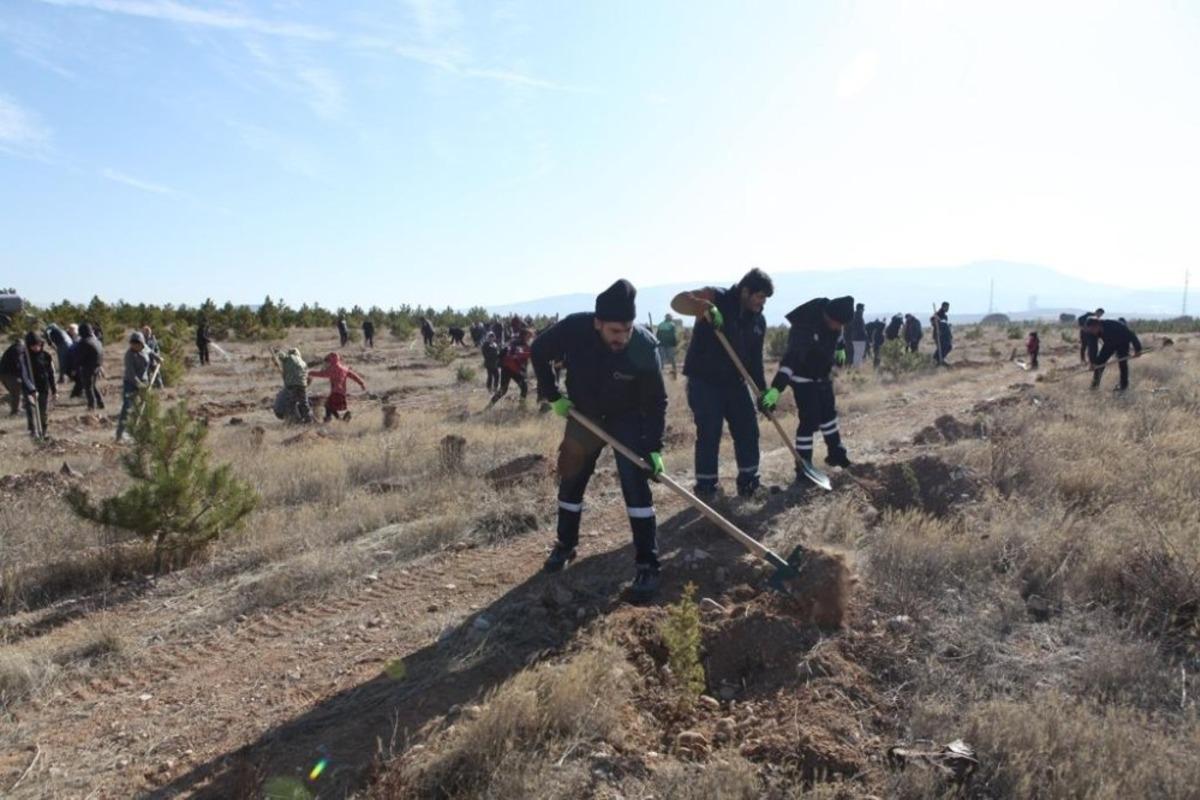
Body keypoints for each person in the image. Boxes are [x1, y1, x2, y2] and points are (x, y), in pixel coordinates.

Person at [531, 279, 668, 599]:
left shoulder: (645, 348)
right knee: (571, 478)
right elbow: (538, 351)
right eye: (614, 332)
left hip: (627, 417)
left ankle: (648, 564)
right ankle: (565, 545)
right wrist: (553, 396)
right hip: (585, 415)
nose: (622, 338)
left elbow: (656, 402)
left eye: (627, 330)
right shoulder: (574, 329)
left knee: (635, 485)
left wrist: (653, 448)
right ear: (598, 323)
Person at [670, 269, 772, 498]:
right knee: (709, 433)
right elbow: (678, 301)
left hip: (735, 383)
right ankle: (706, 488)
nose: (761, 303)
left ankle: (749, 482)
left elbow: (754, 362)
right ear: (745, 291)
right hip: (705, 382)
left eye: (765, 299)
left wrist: (762, 393)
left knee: (748, 429)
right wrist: (705, 307)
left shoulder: (758, 320)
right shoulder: (717, 297)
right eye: (759, 297)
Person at [761, 296, 854, 474]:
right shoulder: (804, 328)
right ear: (829, 318)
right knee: (809, 420)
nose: (839, 328)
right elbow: (790, 361)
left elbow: (838, 334)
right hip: (802, 378)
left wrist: (840, 347)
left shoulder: (834, 322)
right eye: (838, 324)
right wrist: (776, 389)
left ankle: (836, 454)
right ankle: (804, 465)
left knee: (829, 416)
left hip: (822, 375)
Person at [115, 331, 162, 442]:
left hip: (144, 381)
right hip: (130, 384)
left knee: (146, 407)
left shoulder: (144, 348)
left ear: (142, 343)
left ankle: (147, 434)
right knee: (127, 409)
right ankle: (119, 435)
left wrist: (157, 358)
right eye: (133, 344)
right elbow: (131, 374)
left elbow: (151, 352)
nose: (135, 346)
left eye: (138, 344)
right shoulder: (129, 355)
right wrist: (140, 385)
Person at [1086, 317, 1142, 391]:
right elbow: (1092, 347)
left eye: (1093, 329)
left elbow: (1131, 335)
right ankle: (1094, 386)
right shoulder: (1091, 333)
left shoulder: (1113, 325)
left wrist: (1138, 349)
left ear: (1098, 325)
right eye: (1090, 330)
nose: (1092, 332)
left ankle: (1123, 386)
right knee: (1099, 363)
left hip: (1122, 342)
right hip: (1109, 344)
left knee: (1122, 363)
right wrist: (1092, 362)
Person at [18, 332, 56, 439]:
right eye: (33, 345)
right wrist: (32, 389)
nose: (36, 347)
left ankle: (43, 432)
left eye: (38, 345)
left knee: (43, 412)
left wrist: (54, 390)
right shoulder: (24, 358)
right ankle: (33, 432)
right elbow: (24, 375)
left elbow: (51, 374)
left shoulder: (46, 356)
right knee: (31, 409)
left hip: (43, 387)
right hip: (29, 388)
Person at [308, 352, 366, 422]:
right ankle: (335, 419)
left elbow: (321, 374)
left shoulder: (332, 369)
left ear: (331, 360)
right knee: (330, 407)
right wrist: (361, 384)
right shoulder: (344, 369)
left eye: (328, 361)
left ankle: (334, 420)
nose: (327, 363)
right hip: (342, 393)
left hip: (335, 392)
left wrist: (310, 373)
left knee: (329, 406)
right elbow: (354, 376)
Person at [488, 329, 533, 408]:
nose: (530, 338)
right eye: (529, 335)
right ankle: (489, 406)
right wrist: (530, 354)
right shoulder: (519, 344)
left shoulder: (516, 342)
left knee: (521, 388)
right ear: (524, 335)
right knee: (506, 390)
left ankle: (521, 407)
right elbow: (519, 354)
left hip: (511, 369)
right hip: (510, 369)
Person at [274, 348, 314, 423]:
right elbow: (306, 374)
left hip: (292, 385)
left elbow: (282, 355)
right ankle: (309, 419)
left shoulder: (290, 358)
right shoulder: (303, 362)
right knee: (304, 403)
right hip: (302, 384)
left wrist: (277, 351)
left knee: (291, 404)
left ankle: (296, 420)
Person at [76, 323, 105, 410]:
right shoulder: (96, 340)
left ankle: (91, 405)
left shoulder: (84, 342)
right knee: (93, 386)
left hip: (88, 367)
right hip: (97, 366)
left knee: (88, 387)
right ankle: (100, 402)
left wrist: (77, 365)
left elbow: (80, 356)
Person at [0, 336, 28, 416]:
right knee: (17, 392)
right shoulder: (19, 349)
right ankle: (15, 412)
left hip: (3, 375)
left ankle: (18, 409)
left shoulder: (11, 349)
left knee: (16, 392)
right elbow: (19, 364)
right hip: (11, 375)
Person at [655, 313, 679, 379]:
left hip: (661, 343)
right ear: (670, 318)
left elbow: (657, 335)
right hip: (669, 344)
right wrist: (675, 344)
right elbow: (673, 336)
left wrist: (657, 343)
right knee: (671, 358)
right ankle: (674, 370)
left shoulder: (660, 325)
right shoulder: (672, 325)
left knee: (661, 358)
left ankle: (660, 373)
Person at [848, 303, 868, 368]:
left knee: (856, 353)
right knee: (859, 353)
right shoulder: (859, 316)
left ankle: (855, 367)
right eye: (863, 309)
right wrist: (865, 336)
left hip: (854, 337)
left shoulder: (853, 315)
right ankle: (856, 368)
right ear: (860, 309)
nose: (863, 310)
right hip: (859, 337)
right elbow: (861, 328)